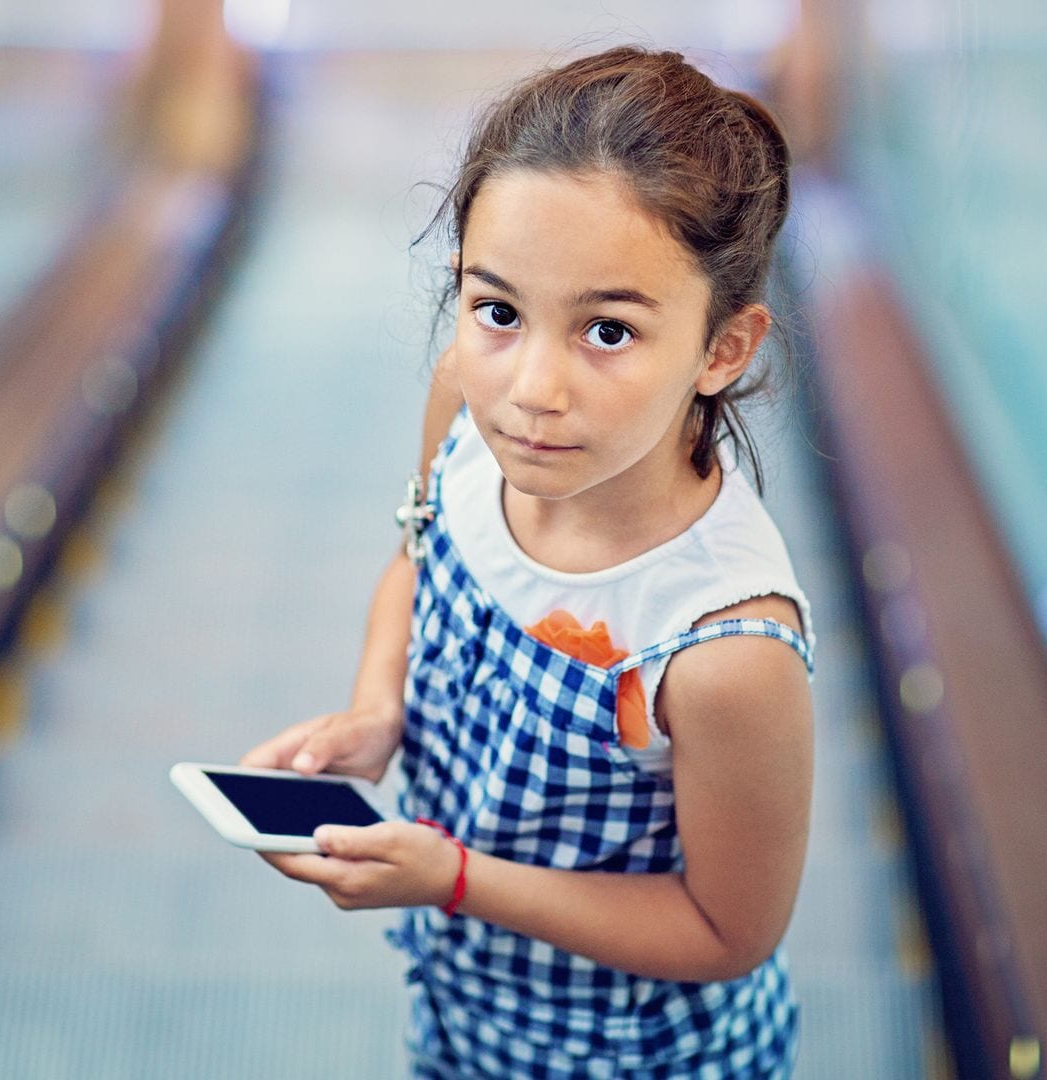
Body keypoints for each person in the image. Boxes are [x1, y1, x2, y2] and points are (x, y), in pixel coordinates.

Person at [240, 44, 814, 1079]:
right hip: (464, 1011)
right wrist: (381, 710)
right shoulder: (464, 406)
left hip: (638, 1055)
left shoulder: (725, 648)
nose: (531, 388)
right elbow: (417, 559)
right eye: (498, 310)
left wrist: (454, 877)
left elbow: (728, 932)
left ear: (723, 349)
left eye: (606, 330)